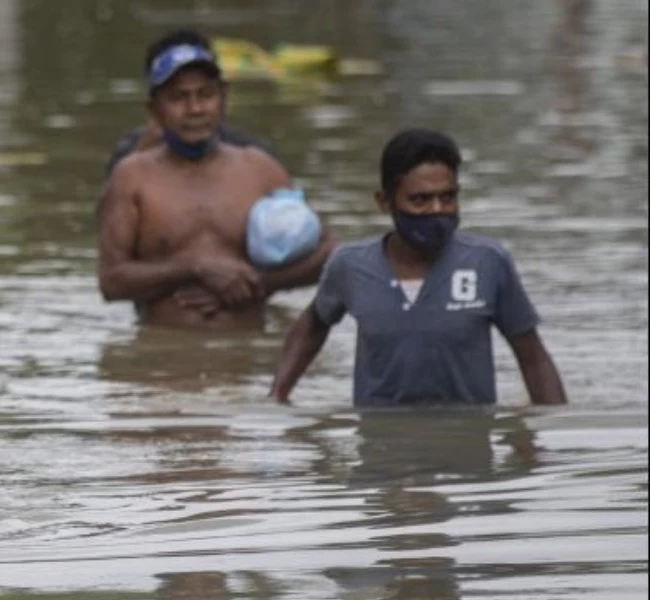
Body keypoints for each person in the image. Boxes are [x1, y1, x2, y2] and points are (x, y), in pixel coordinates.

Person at [268, 129, 568, 406]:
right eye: (420, 200)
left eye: (448, 197)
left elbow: (532, 356)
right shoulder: (350, 265)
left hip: (467, 449)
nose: (437, 210)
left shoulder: (487, 262)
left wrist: (553, 437)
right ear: (385, 202)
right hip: (381, 450)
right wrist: (278, 396)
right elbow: (312, 325)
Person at [97, 29, 335, 330]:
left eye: (206, 95)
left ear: (224, 98)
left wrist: (261, 283)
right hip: (163, 364)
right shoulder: (131, 175)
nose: (195, 109)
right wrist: (194, 268)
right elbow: (111, 282)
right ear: (154, 110)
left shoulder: (259, 167)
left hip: (249, 362)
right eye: (178, 98)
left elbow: (330, 251)